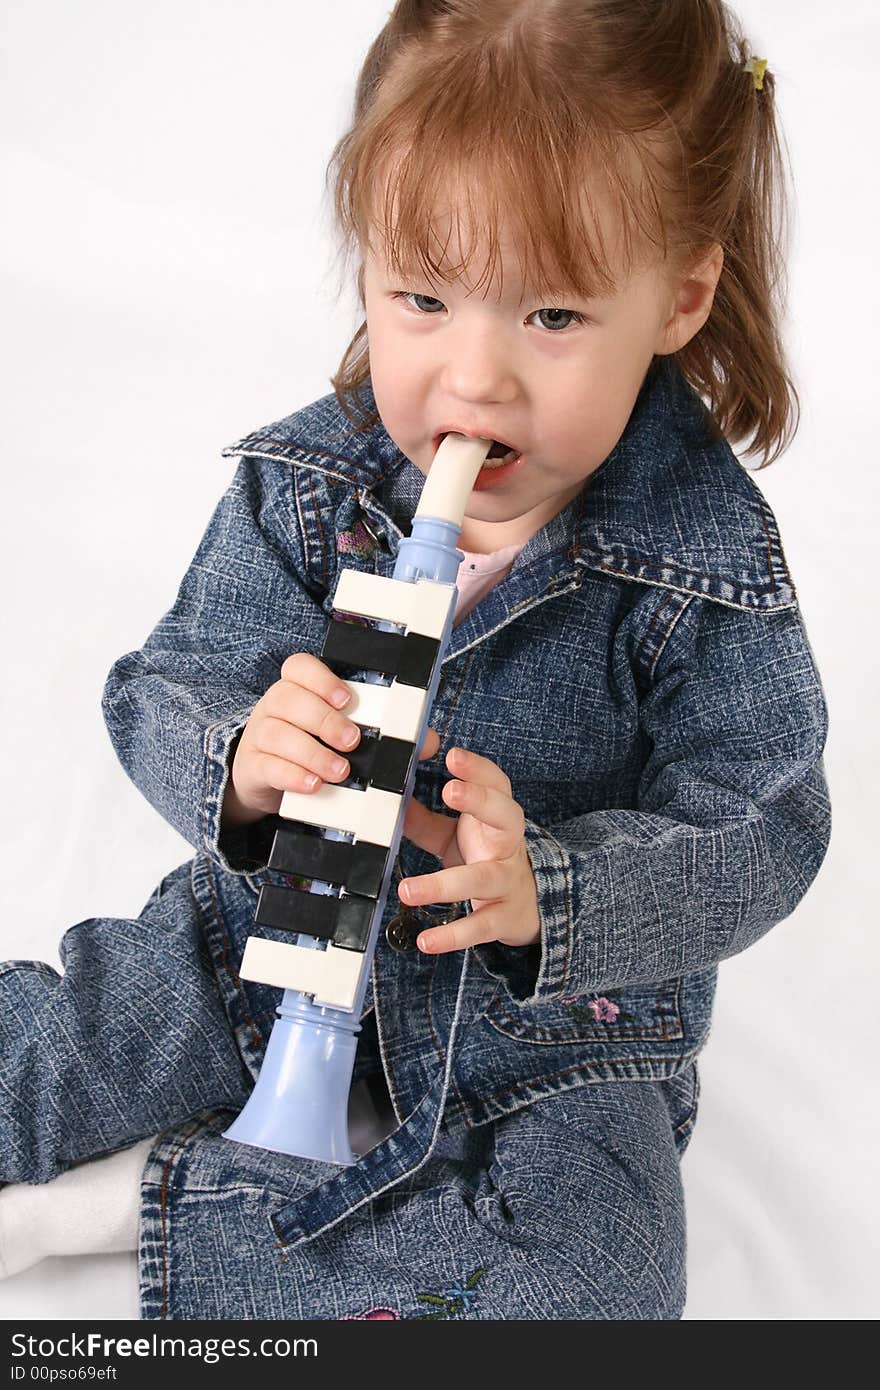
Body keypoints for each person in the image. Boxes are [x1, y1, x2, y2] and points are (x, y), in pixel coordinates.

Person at [0, 0, 830, 1319]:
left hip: (561, 1037)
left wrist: (554, 890)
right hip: (273, 934)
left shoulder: (706, 562)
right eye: (423, 297)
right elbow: (166, 681)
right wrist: (243, 762)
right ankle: (238, 1188)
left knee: (601, 1285)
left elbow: (768, 830)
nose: (475, 376)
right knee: (53, 1044)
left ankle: (170, 1211)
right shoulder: (305, 486)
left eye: (552, 314)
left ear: (678, 294)